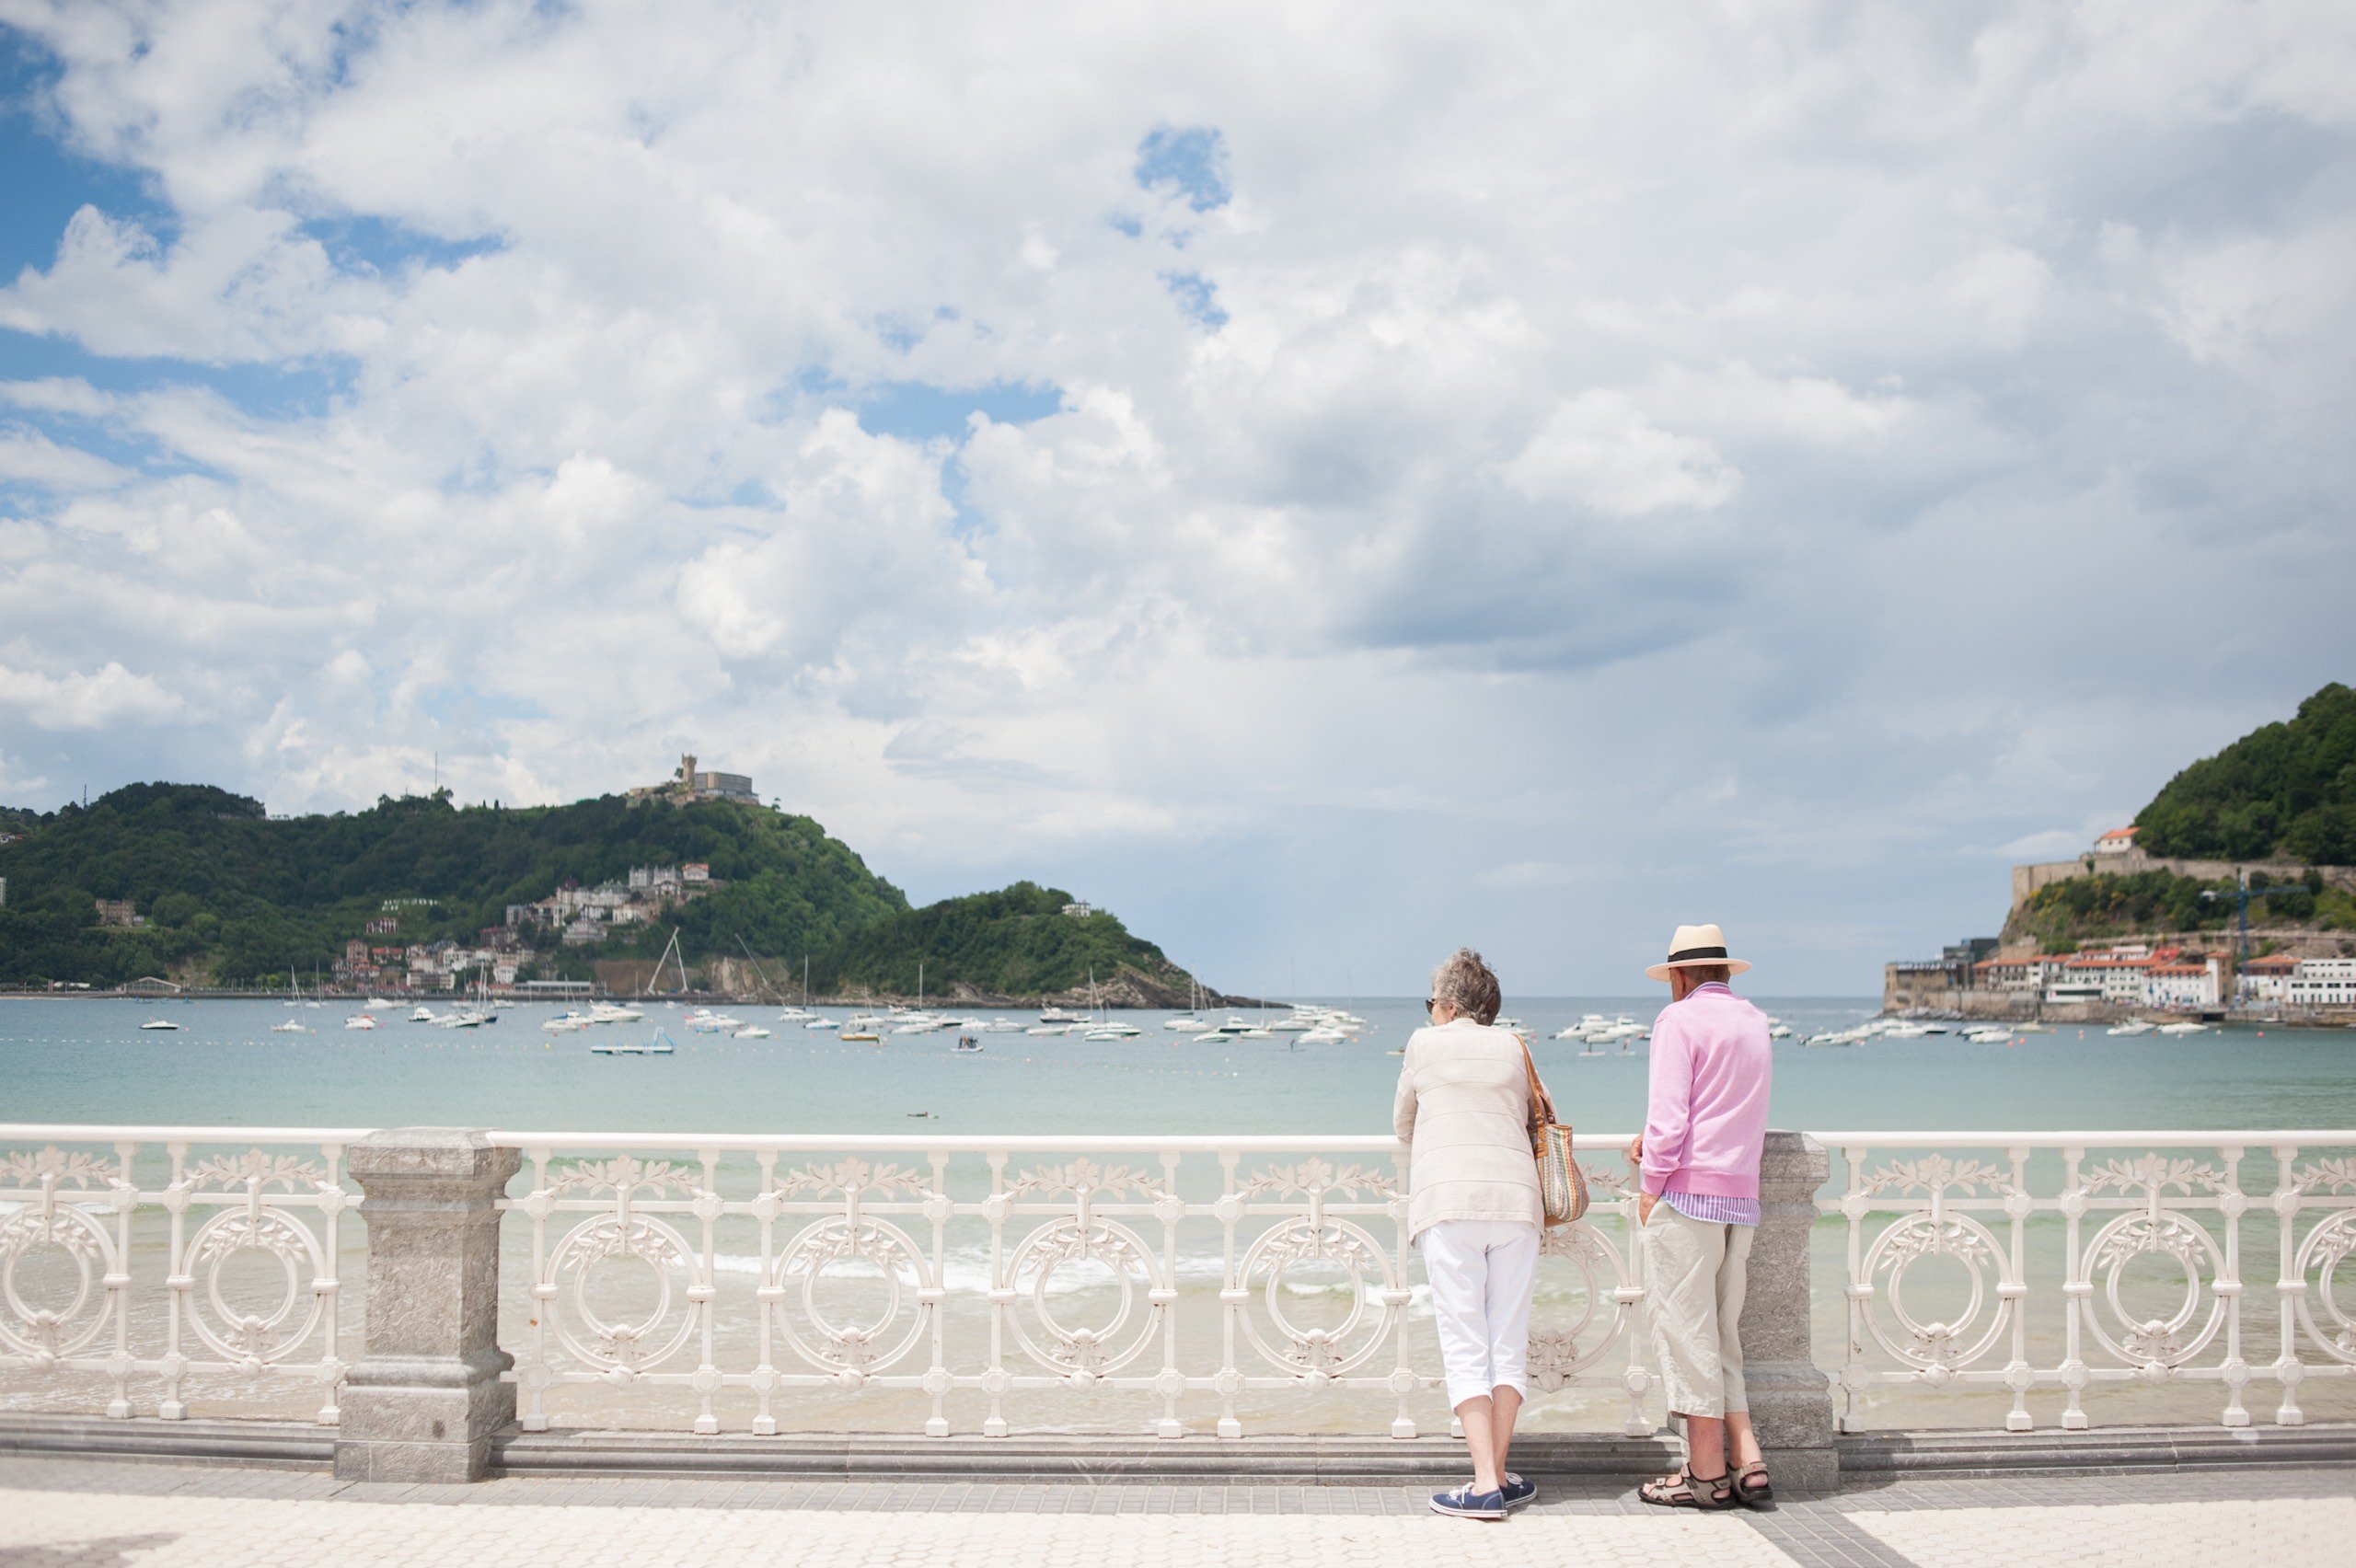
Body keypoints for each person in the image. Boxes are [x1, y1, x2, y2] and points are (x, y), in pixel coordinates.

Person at [1392, 948, 1544, 1521]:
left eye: (1432, 1003)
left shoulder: (1423, 1044)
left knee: (1464, 1343)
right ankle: (1499, 1476)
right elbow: (1533, 1118)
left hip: (1450, 1203)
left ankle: (1483, 1486)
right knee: (1507, 1344)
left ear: (1448, 1004)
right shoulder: (1512, 1046)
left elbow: (1402, 1121)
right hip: (1514, 1202)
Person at [1628, 922, 1774, 1511]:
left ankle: (1707, 1475)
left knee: (1686, 1336)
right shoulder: (1755, 1021)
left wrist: (1649, 1185)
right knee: (1720, 1334)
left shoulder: (1678, 1020)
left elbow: (1670, 1120)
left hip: (1687, 1199)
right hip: (1740, 1199)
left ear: (1681, 977)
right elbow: (1728, 1110)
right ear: (1722, 972)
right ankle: (1748, 1459)